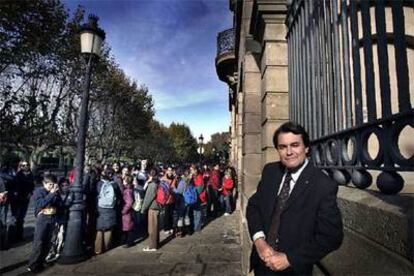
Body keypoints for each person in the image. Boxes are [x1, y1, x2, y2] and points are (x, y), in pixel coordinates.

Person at [246, 122, 343, 275]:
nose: (289, 152)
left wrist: (289, 259)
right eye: (283, 147)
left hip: (293, 271)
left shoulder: (323, 185)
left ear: (306, 148)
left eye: (295, 145)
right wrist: (259, 241)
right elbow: (254, 206)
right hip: (260, 264)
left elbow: (331, 237)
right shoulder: (270, 171)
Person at [27, 174, 61, 273]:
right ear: (44, 183)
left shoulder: (55, 192)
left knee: (48, 242)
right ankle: (32, 265)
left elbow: (58, 204)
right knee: (39, 242)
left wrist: (57, 195)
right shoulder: (39, 192)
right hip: (42, 219)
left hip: (52, 218)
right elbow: (40, 204)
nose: (52, 187)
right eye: (50, 184)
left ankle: (41, 262)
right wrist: (51, 194)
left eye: (53, 184)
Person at [94, 167, 121, 255]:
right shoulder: (114, 185)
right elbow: (119, 196)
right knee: (108, 229)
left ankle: (97, 249)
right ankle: (106, 247)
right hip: (111, 208)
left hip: (100, 207)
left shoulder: (99, 184)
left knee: (99, 229)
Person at [9, 160, 34, 243]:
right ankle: (11, 238)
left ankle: (19, 236)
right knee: (14, 218)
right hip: (16, 200)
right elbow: (12, 187)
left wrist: (30, 193)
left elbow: (32, 186)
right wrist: (15, 193)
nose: (25, 166)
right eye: (23, 165)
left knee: (21, 218)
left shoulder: (31, 175)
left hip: (25, 199)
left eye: (27, 165)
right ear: (20, 166)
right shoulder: (17, 175)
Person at [140, 168, 160, 252]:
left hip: (153, 207)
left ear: (150, 175)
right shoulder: (158, 182)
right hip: (157, 206)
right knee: (156, 227)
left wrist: (143, 208)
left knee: (152, 228)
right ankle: (156, 243)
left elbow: (148, 198)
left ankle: (152, 246)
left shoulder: (152, 185)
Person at [121, 175, 134, 248]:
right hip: (128, 213)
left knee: (128, 228)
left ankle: (129, 242)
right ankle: (127, 241)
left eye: (124, 180)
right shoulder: (129, 189)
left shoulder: (127, 191)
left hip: (127, 213)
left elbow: (129, 202)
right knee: (128, 228)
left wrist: (123, 211)